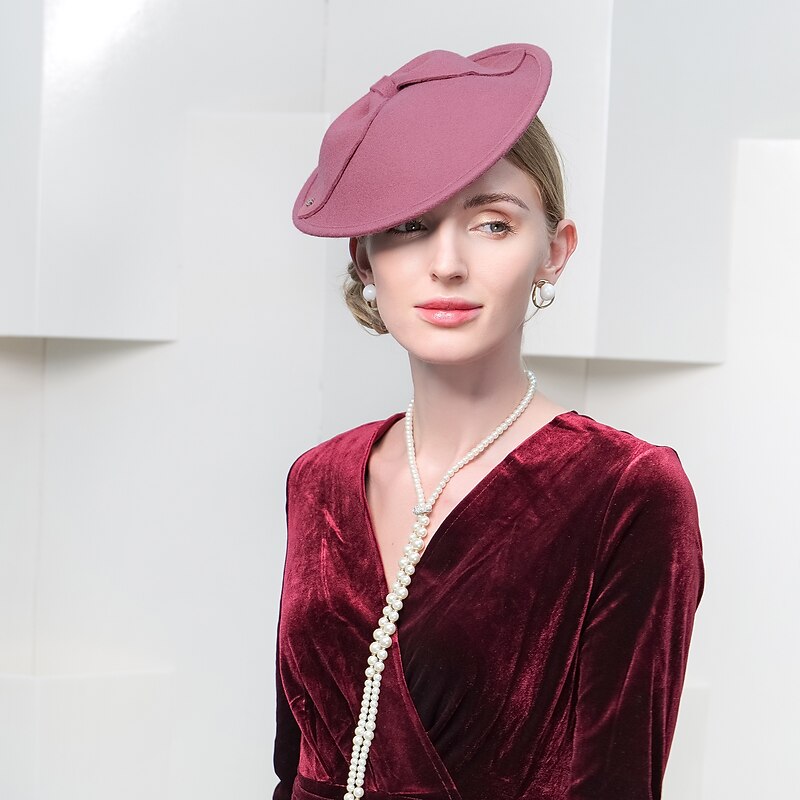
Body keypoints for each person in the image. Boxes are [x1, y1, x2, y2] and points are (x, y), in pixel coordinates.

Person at [274, 43, 705, 800]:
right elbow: (294, 764)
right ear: (365, 258)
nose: (446, 263)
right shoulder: (320, 478)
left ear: (554, 252)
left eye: (492, 225)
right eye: (409, 224)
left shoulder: (625, 491)